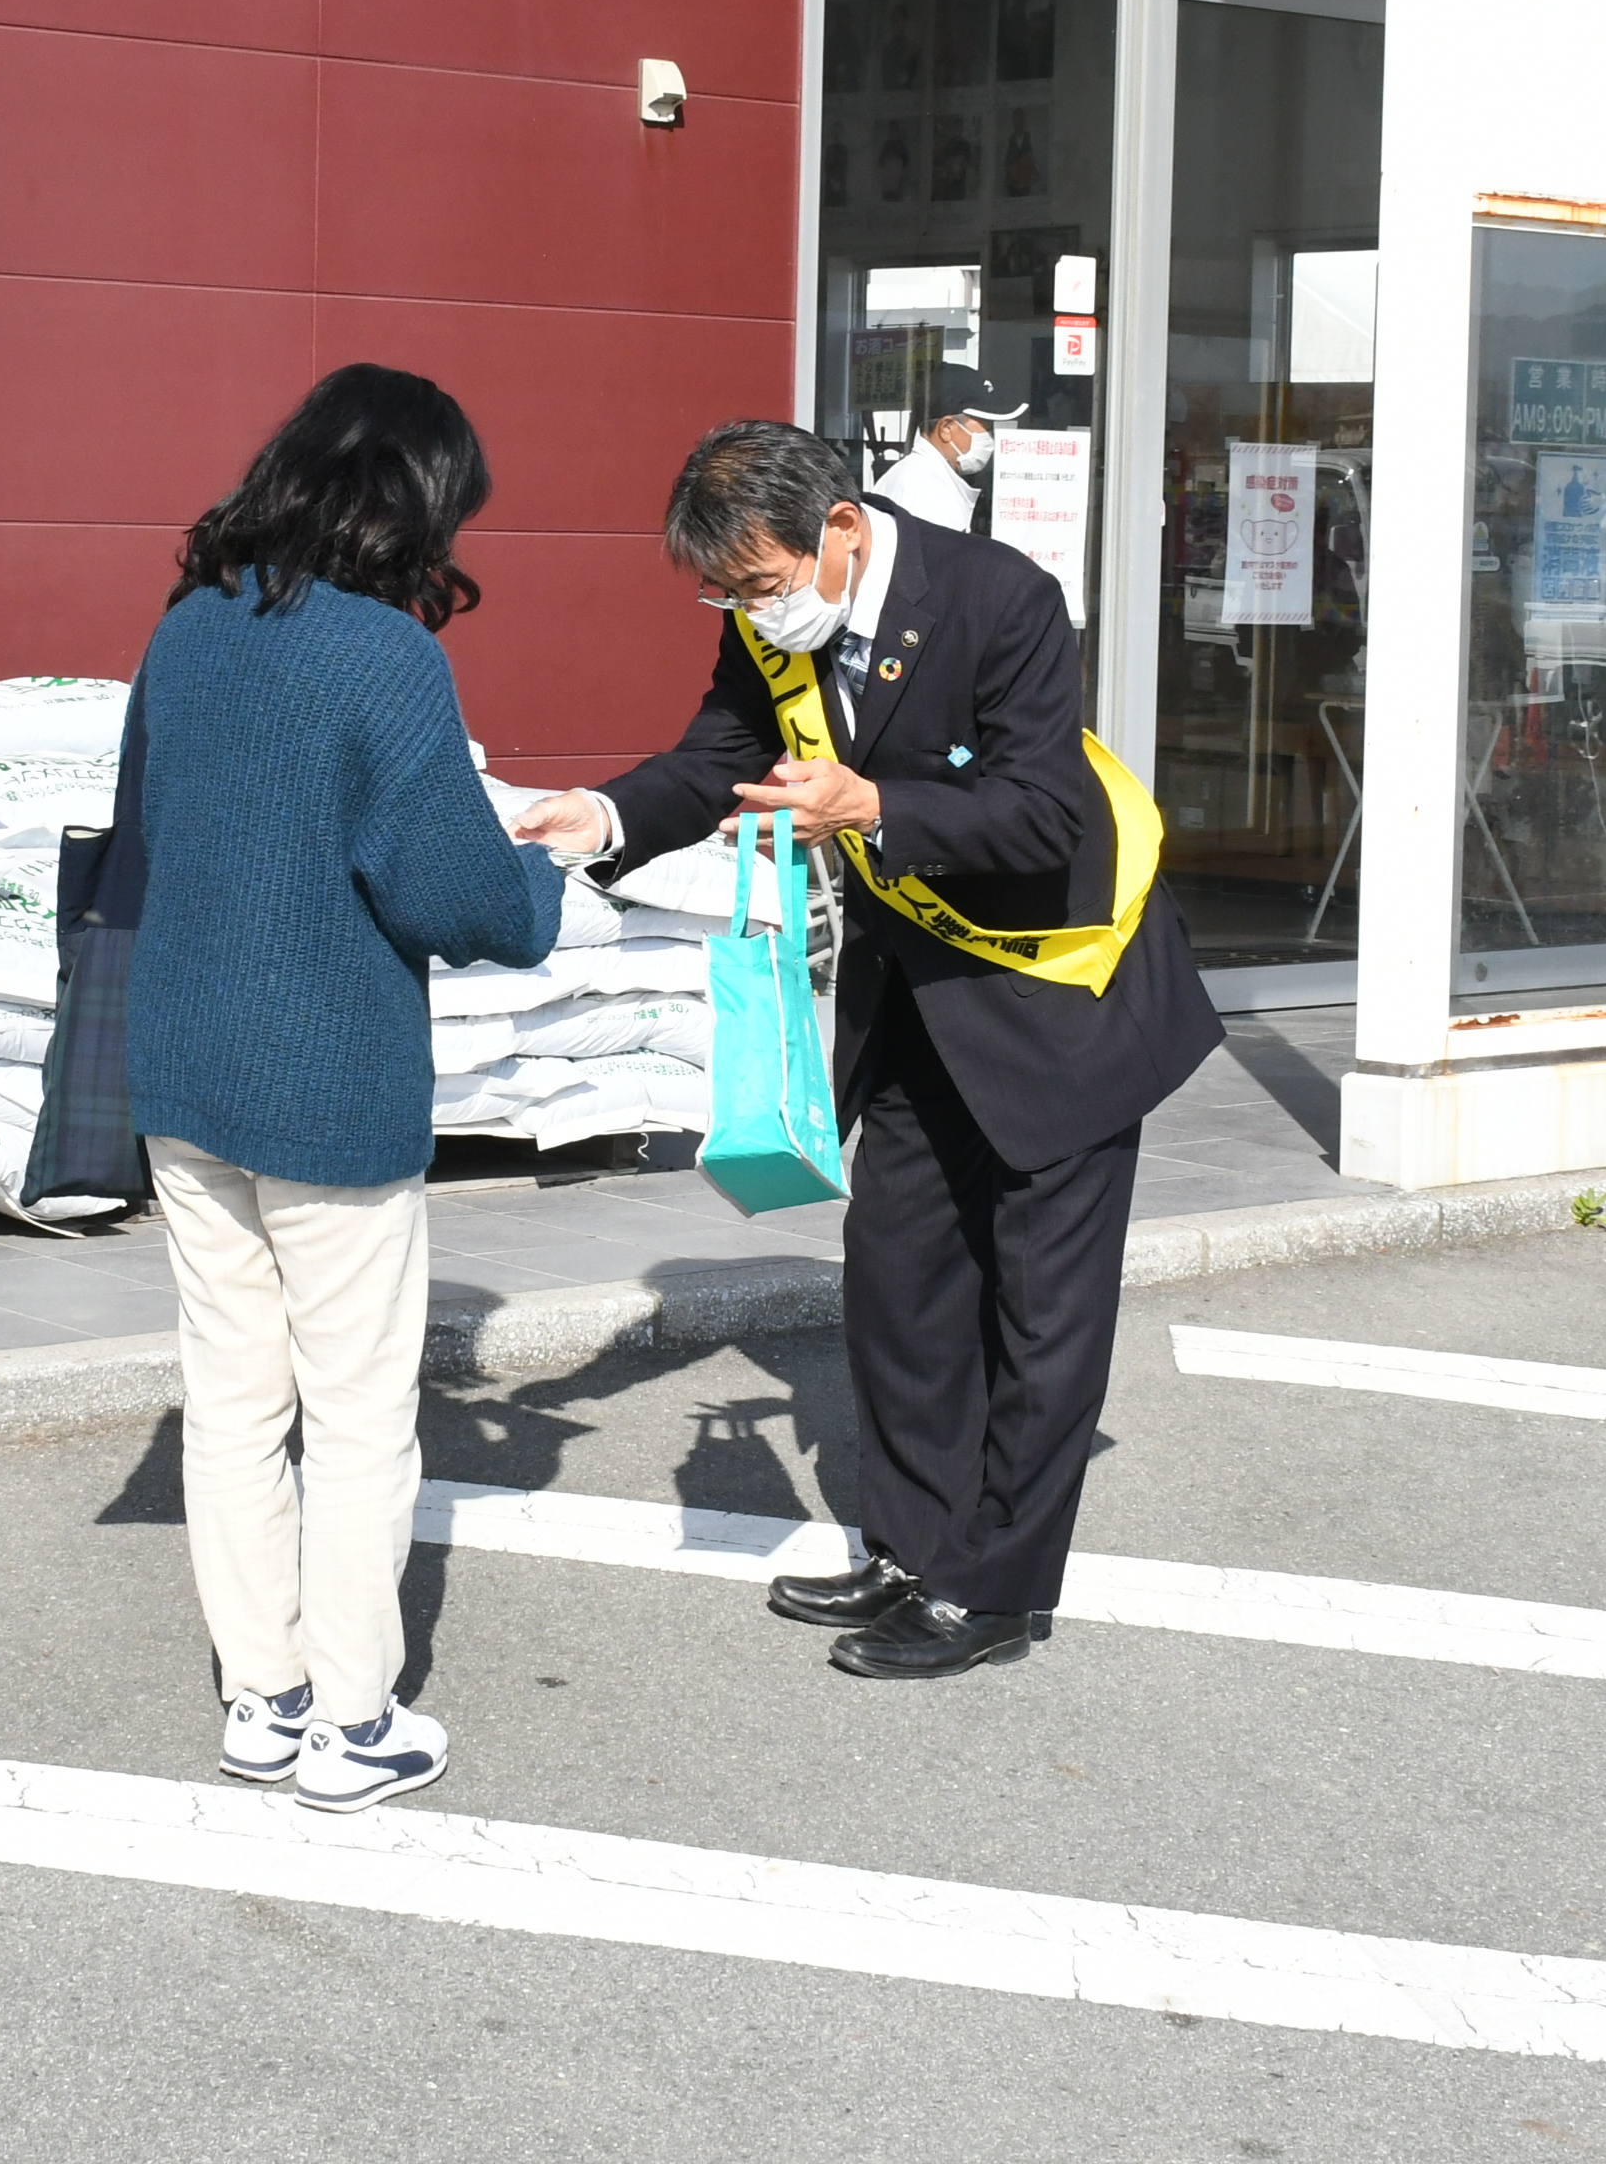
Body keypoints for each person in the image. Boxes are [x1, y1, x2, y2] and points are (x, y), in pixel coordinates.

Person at [515, 423, 1220, 1680]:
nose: (744, 611)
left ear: (842, 526)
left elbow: (1043, 813)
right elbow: (716, 762)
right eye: (722, 593)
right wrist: (608, 811)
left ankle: (994, 1590)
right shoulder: (764, 612)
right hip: (918, 1001)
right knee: (901, 1286)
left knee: (1042, 1316)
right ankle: (910, 1543)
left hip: (1063, 997)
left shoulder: (997, 598)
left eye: (761, 584)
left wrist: (876, 805)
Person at [127, 365, 562, 1810]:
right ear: (413, 500)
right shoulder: (385, 657)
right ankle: (355, 1722)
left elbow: (149, 828)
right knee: (361, 1402)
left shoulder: (188, 630)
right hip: (328, 1072)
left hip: (183, 1064)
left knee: (232, 1395)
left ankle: (262, 1696)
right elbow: (454, 892)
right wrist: (545, 883)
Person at [863, 361, 1021, 532]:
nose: (990, 437)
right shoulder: (931, 493)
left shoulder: (918, 475)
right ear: (946, 428)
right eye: (986, 426)